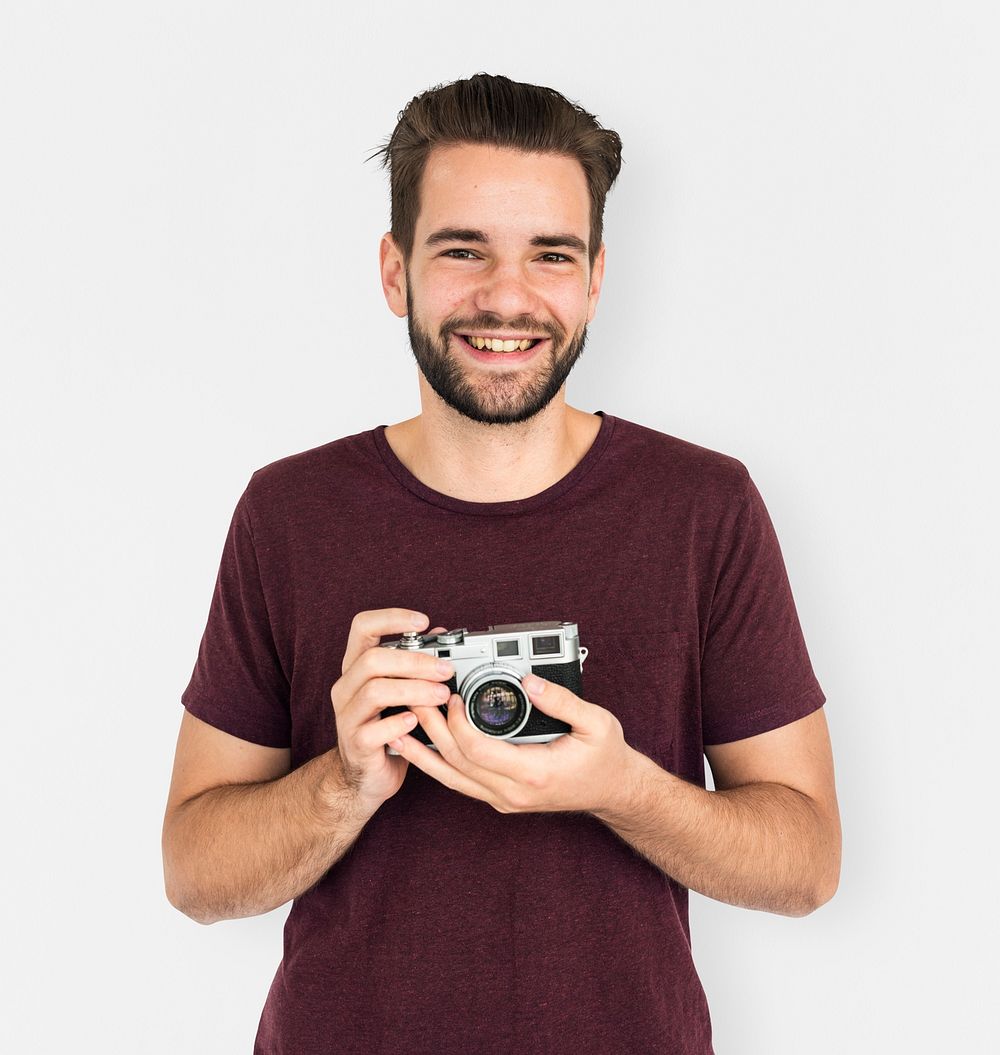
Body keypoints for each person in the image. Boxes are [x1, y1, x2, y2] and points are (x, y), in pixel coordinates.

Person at [162, 72, 841, 1055]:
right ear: (394, 271)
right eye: (462, 249)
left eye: (550, 255)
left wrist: (621, 786)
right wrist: (344, 780)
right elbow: (192, 872)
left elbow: (807, 862)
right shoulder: (290, 511)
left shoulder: (702, 507)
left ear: (596, 278)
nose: (507, 298)